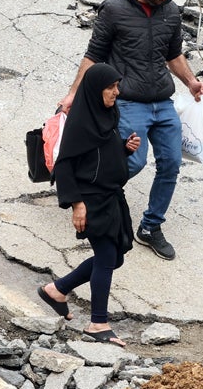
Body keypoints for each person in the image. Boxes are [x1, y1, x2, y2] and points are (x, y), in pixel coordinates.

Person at [60, 0, 203, 261]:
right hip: (128, 101)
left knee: (170, 164)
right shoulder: (114, 9)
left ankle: (150, 227)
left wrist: (191, 81)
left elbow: (173, 55)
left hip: (163, 103)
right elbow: (93, 56)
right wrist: (74, 93)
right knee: (133, 162)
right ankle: (86, 196)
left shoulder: (170, 12)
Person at [36, 63, 142, 346]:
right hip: (92, 200)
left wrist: (123, 148)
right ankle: (98, 323)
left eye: (117, 87)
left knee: (115, 257)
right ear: (96, 90)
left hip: (111, 197)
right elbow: (65, 166)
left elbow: (99, 155)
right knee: (107, 258)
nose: (116, 93)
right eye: (110, 87)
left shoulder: (106, 116)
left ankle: (57, 290)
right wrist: (76, 205)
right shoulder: (81, 123)